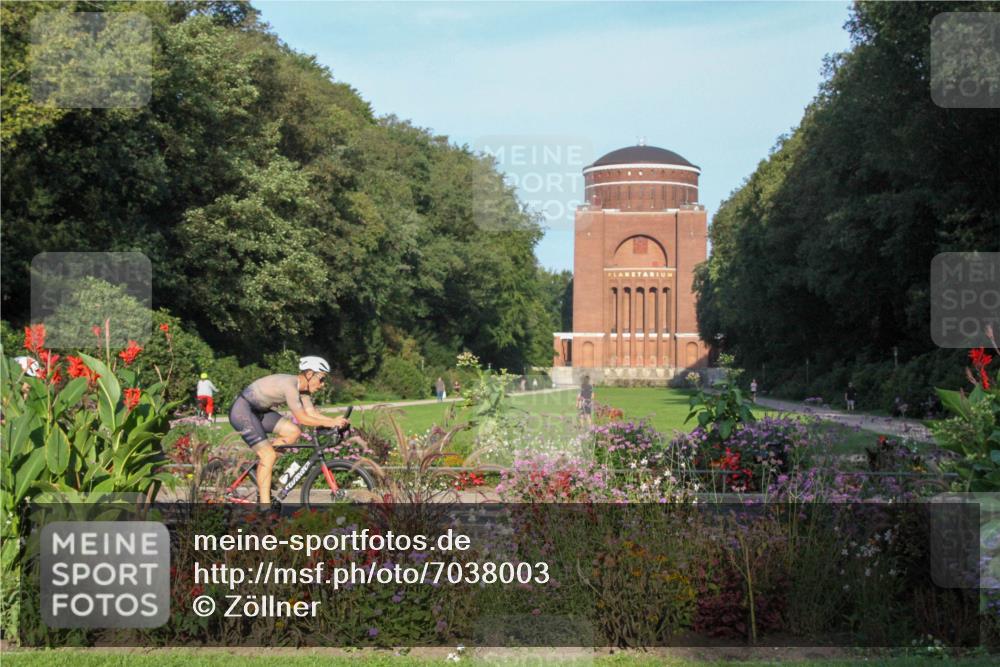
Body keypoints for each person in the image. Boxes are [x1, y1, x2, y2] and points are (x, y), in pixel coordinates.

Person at [228, 356, 348, 507]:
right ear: (310, 374)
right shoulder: (290, 386)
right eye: (322, 379)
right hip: (242, 410)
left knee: (293, 432)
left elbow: (311, 413)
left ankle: (264, 471)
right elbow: (302, 418)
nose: (323, 385)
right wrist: (331, 422)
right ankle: (265, 509)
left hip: (259, 411)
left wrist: (334, 421)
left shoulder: (303, 391)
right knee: (268, 455)